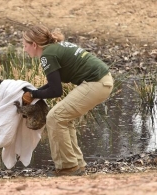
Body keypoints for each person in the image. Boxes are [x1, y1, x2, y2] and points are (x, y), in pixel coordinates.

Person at [21, 24, 114, 176]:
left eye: (25, 45)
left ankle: (67, 168)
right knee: (63, 118)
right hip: (101, 81)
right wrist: (34, 92)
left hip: (96, 83)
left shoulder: (47, 55)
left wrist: (34, 95)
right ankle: (77, 164)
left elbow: (56, 91)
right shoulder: (54, 48)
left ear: (34, 45)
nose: (24, 49)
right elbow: (54, 83)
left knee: (55, 117)